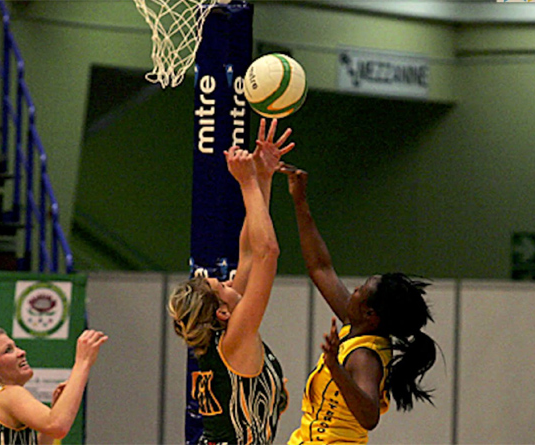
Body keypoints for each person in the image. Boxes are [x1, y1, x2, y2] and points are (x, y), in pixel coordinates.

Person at [279, 164, 438, 444]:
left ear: (371, 314)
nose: (352, 290)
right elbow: (320, 268)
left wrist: (334, 366)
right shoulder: (358, 324)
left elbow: (369, 416)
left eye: (361, 290)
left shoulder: (365, 356)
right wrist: (300, 201)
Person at [168, 118, 294, 444]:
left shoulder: (222, 335)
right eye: (222, 286)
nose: (230, 282)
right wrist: (247, 183)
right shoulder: (235, 338)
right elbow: (268, 252)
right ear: (222, 313)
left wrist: (263, 176)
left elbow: (250, 254)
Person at [0, 328, 108, 444]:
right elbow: (58, 425)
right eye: (8, 350)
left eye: (15, 346)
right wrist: (82, 362)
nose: (21, 352)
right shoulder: (8, 394)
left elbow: (48, 434)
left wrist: (55, 410)